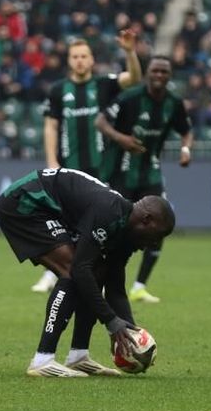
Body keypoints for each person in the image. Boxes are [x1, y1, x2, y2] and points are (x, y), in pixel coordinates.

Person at [0, 168, 176, 377]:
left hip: (49, 207)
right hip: (24, 201)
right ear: (146, 219)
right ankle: (42, 359)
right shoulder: (108, 212)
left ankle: (78, 356)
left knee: (97, 272)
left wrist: (130, 333)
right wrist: (111, 321)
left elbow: (115, 288)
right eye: (157, 235)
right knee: (71, 271)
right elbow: (80, 270)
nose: (154, 244)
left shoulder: (127, 235)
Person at [32, 31, 142, 293]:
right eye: (75, 57)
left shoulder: (104, 84)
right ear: (69, 61)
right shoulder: (58, 90)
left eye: (84, 56)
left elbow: (134, 79)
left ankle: (97, 274)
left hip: (101, 169)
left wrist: (129, 52)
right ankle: (52, 273)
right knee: (63, 223)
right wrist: (51, 161)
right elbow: (50, 126)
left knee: (98, 225)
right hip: (68, 169)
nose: (80, 61)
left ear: (92, 60)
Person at [95, 56, 193, 304]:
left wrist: (185, 149)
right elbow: (100, 121)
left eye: (164, 71)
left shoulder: (173, 103)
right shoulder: (130, 97)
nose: (159, 75)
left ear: (169, 76)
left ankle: (139, 287)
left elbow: (186, 131)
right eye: (155, 70)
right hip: (121, 171)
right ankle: (103, 281)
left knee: (160, 225)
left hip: (151, 172)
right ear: (148, 73)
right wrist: (121, 138)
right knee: (114, 227)